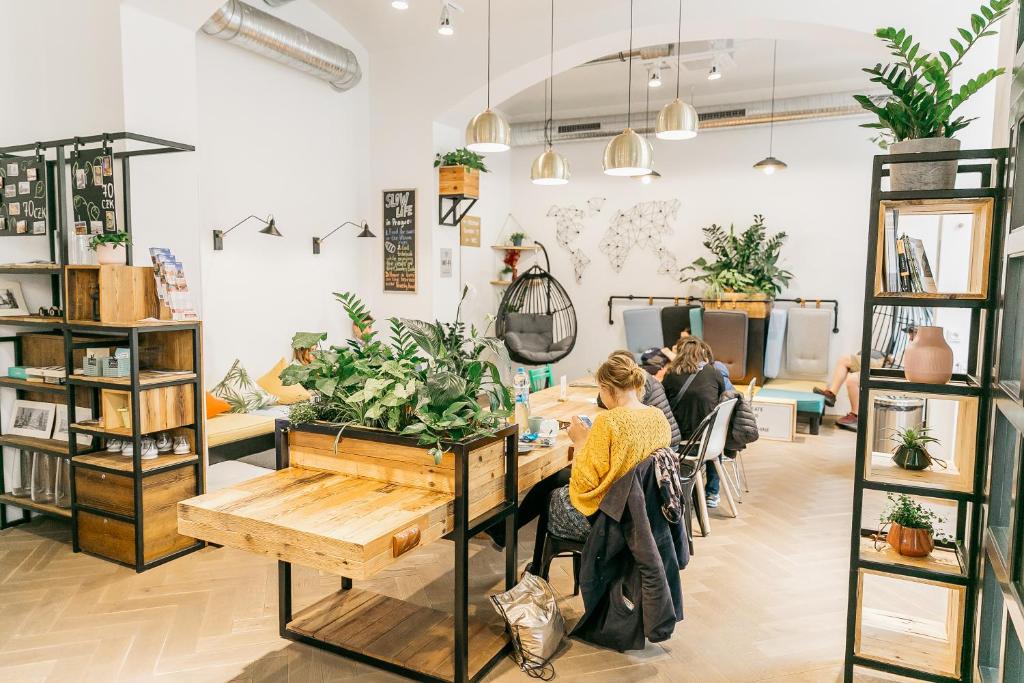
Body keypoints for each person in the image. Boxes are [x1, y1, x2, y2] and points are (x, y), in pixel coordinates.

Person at [663, 338, 726, 507]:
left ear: (680, 354)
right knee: (711, 430)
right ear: (702, 354)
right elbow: (721, 397)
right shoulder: (714, 373)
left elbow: (663, 406)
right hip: (712, 443)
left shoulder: (670, 376)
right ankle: (712, 492)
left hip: (682, 444)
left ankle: (678, 489)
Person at [599, 350, 681, 447]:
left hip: (667, 444)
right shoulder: (640, 379)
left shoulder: (639, 384)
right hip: (665, 440)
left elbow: (603, 402)